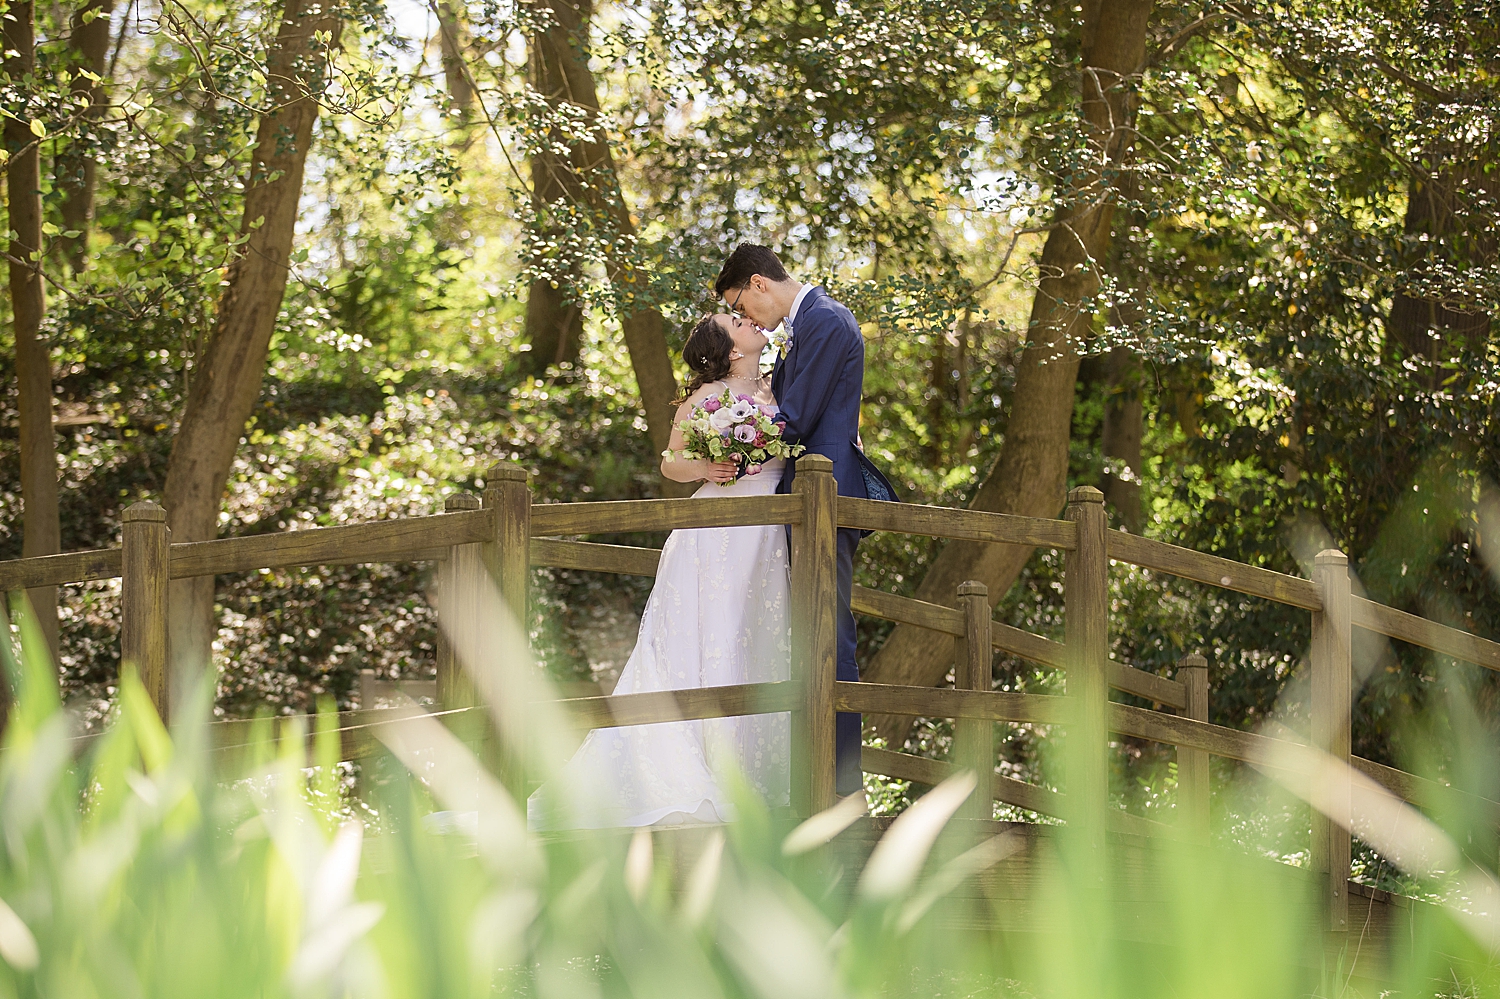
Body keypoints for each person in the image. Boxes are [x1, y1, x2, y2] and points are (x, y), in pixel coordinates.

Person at [527, 312, 791, 829]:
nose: (752, 322)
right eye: (737, 321)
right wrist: (708, 468)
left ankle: (754, 774)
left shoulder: (780, 382)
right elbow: (671, 462)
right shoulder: (704, 398)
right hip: (714, 536)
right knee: (706, 640)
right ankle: (700, 770)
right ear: (730, 348)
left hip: (769, 533)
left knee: (756, 641)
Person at [714, 243, 894, 797]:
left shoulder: (825, 320)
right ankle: (811, 776)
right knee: (809, 632)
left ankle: (841, 786)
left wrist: (730, 449)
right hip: (805, 496)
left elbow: (795, 420)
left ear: (758, 283)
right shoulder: (807, 324)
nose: (745, 318)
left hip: (826, 500)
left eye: (741, 304)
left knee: (829, 635)